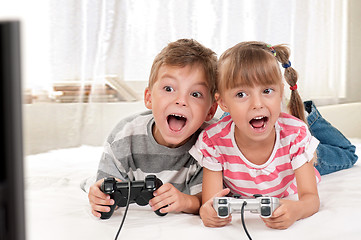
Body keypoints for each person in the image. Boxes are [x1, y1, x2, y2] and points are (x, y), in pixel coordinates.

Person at [190, 41, 321, 229]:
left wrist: (297, 210)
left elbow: (311, 199)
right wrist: (207, 212)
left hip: (289, 178)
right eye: (241, 94)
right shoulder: (213, 142)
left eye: (267, 91)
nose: (257, 104)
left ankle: (315, 118)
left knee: (341, 155)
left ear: (280, 93)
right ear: (223, 103)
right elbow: (210, 202)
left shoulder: (295, 135)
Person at [88, 39, 218, 217]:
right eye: (169, 88)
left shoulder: (213, 142)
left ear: (210, 110)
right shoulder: (124, 136)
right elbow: (107, 186)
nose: (181, 101)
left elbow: (210, 201)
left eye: (195, 94)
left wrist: (185, 201)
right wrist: (102, 197)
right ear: (149, 98)